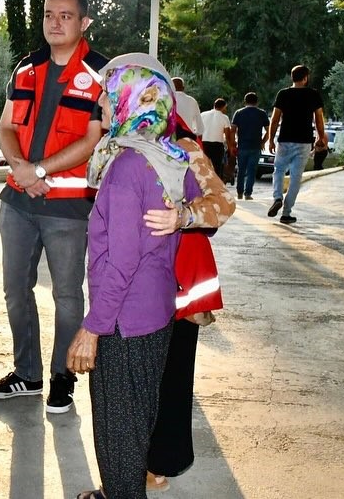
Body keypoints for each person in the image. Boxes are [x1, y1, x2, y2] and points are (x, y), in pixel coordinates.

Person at [67, 53, 202, 499]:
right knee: (136, 422)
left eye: (107, 98)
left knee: (119, 439)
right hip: (156, 313)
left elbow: (121, 263)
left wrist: (92, 328)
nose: (101, 107)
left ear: (130, 102)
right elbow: (194, 206)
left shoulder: (126, 168)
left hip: (123, 321)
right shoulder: (168, 155)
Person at [0, 0, 108, 415]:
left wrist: (38, 171)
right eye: (49, 14)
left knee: (68, 296)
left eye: (66, 16)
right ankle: (28, 374)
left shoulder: (100, 75)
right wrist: (21, 168)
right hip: (18, 202)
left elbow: (93, 141)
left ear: (84, 22)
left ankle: (61, 376)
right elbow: (5, 127)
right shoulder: (26, 69)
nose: (55, 23)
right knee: (15, 291)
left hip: (69, 208)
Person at [142, 113, 236, 494]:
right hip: (139, 275)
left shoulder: (182, 147)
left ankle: (161, 462)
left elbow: (223, 203)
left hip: (177, 275)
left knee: (172, 371)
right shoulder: (120, 142)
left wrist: (182, 216)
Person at [267, 65, 327, 224]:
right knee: (295, 177)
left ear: (292, 77)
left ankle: (277, 197)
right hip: (304, 141)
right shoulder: (313, 94)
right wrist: (321, 137)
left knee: (278, 170)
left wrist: (271, 138)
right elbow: (319, 118)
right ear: (305, 77)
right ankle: (286, 213)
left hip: (285, 139)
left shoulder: (283, 94)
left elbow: (275, 119)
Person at [230, 91, 270, 200]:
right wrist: (263, 142)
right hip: (256, 146)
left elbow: (233, 130)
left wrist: (233, 144)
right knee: (252, 171)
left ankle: (239, 193)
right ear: (257, 102)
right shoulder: (262, 113)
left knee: (241, 170)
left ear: (245, 101)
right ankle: (248, 194)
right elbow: (269, 130)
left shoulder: (238, 113)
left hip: (242, 146)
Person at [199, 98, 233, 179]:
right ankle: (216, 186)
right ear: (223, 107)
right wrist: (230, 148)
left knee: (204, 166)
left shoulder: (203, 114)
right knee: (217, 167)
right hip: (217, 146)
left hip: (204, 144)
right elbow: (227, 135)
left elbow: (198, 131)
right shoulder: (225, 118)